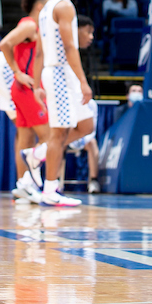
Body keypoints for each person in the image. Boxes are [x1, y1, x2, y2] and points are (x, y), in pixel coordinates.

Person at [20, 0, 94, 207]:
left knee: (86, 125)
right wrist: (83, 81)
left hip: (56, 73)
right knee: (59, 132)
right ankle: (50, 190)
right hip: (61, 73)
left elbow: (39, 51)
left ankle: (37, 154)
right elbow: (70, 47)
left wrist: (37, 82)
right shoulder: (64, 6)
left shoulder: (45, 9)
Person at [0, 0, 51, 199]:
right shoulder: (29, 25)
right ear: (40, 6)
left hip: (22, 91)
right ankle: (31, 183)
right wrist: (17, 72)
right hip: (26, 89)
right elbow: (4, 44)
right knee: (49, 138)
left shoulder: (35, 27)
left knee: (25, 139)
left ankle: (23, 185)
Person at [63, 16, 102, 193]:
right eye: (88, 31)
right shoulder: (66, 46)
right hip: (60, 95)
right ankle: (52, 183)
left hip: (79, 133)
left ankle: (93, 180)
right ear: (77, 29)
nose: (92, 37)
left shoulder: (74, 50)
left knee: (88, 132)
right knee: (58, 138)